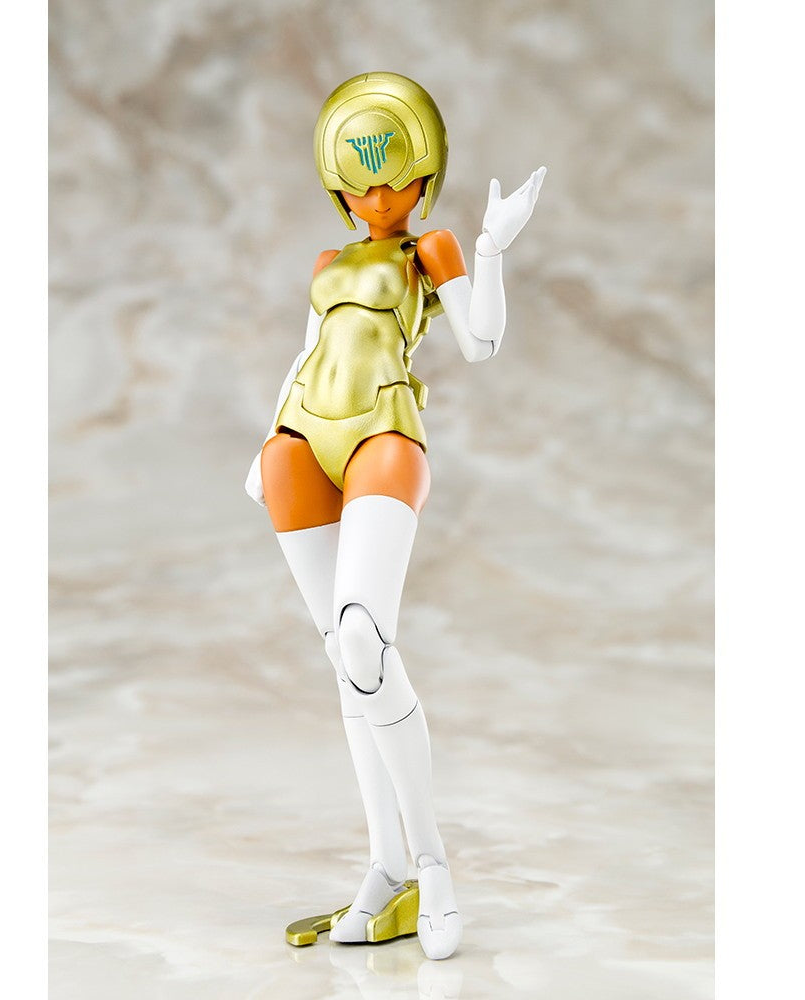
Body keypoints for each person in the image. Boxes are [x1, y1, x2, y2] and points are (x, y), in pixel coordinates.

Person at [245, 71, 545, 961]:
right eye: (361, 183)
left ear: (423, 177)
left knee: (365, 643)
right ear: (339, 187)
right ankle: (383, 871)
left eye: (396, 180)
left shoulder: (429, 250)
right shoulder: (326, 266)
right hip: (300, 443)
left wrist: (490, 249)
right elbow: (308, 353)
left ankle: (433, 866)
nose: (379, 199)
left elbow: (480, 342)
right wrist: (266, 443)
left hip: (384, 430)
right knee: (346, 666)